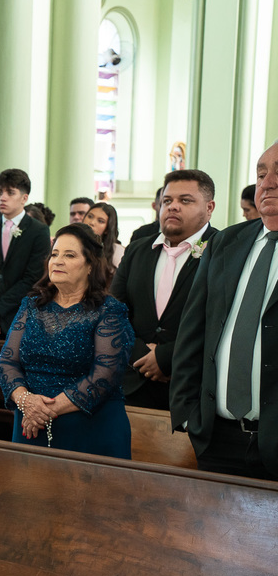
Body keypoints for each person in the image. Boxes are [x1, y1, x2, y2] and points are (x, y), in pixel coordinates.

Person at [0, 223, 134, 576]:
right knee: (32, 530)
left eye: (70, 255)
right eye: (55, 253)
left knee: (88, 536)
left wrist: (53, 407)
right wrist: (24, 401)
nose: (57, 261)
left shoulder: (109, 311)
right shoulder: (32, 305)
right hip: (30, 427)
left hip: (90, 431)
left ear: (91, 265)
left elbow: (107, 372)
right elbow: (7, 361)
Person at [171, 140, 278, 482]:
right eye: (261, 174)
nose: (268, 182)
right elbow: (193, 331)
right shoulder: (226, 243)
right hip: (217, 439)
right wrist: (188, 415)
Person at [110, 169, 217, 410]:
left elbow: (221, 320)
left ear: (209, 207)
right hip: (134, 382)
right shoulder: (137, 250)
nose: (173, 207)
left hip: (192, 387)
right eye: (167, 201)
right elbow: (113, 312)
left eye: (185, 200)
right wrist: (140, 354)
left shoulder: (223, 251)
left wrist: (166, 357)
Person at [0, 168, 51, 337]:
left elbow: (33, 278)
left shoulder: (38, 231)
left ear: (24, 198)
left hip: (19, 314)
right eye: (0, 192)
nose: (2, 198)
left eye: (10, 193)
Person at [81, 201, 124, 271]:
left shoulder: (116, 251)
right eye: (90, 216)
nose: (92, 223)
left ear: (107, 229)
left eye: (100, 221)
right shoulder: (70, 242)